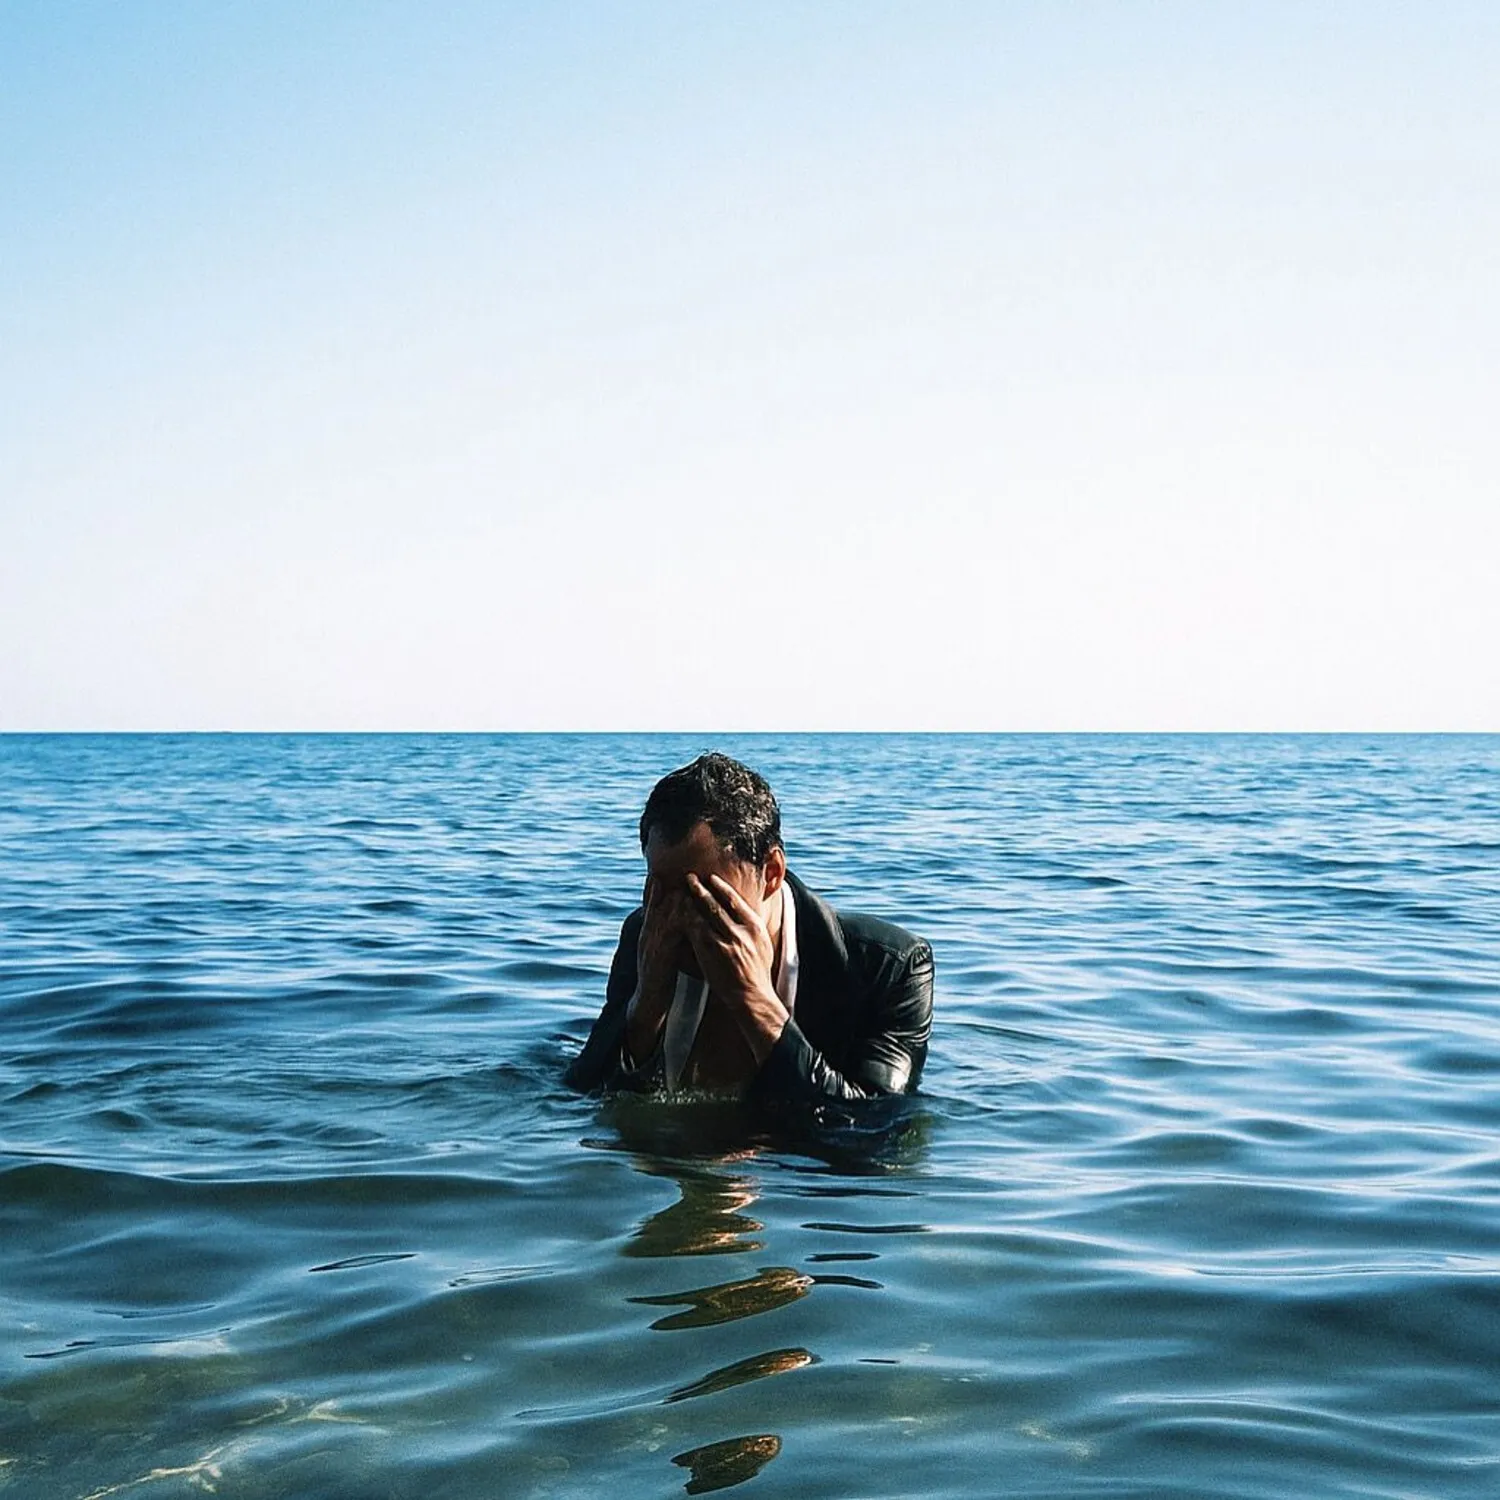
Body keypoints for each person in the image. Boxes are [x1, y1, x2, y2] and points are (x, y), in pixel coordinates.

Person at [565, 753, 933, 1101]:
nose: (680, 917)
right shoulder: (647, 932)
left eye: (703, 895)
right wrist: (644, 1011)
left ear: (771, 873)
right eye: (662, 891)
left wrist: (757, 1005)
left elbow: (873, 1128)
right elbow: (582, 1096)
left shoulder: (887, 968)